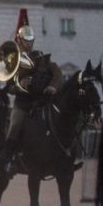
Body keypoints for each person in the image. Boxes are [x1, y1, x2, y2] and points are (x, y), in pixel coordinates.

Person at [4, 9, 63, 169]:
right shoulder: (14, 62)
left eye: (31, 40)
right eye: (26, 40)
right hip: (23, 104)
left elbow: (57, 72)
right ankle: (8, 160)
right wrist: (20, 85)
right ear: (20, 40)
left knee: (61, 118)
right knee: (14, 126)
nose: (29, 43)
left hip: (41, 101)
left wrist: (52, 85)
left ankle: (63, 155)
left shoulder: (41, 58)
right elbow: (8, 87)